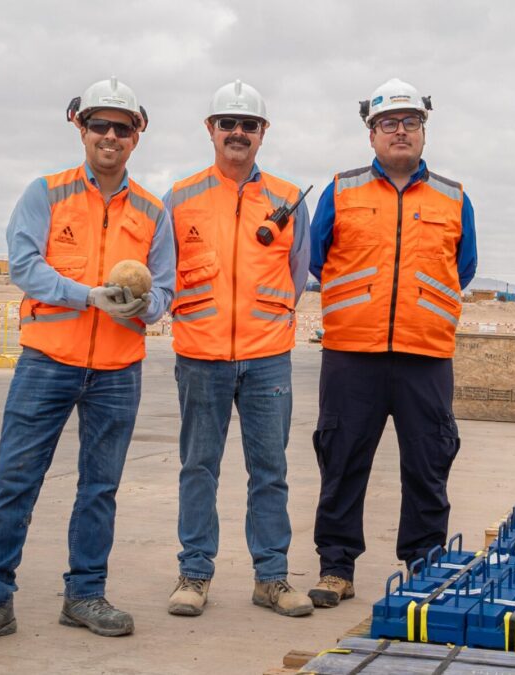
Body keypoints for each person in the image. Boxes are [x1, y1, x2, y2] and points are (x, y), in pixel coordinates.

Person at [0, 77, 176, 646]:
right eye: (100, 124)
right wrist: (87, 295)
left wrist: (143, 306)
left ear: (137, 135)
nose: (110, 136)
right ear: (80, 127)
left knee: (100, 486)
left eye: (123, 126)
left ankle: (85, 594)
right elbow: (24, 265)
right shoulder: (45, 192)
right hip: (48, 360)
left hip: (118, 369)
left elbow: (166, 290)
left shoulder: (151, 211)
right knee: (15, 479)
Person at [307, 78, 478, 608]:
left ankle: (423, 566)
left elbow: (463, 268)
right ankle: (336, 567)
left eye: (410, 122)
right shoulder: (342, 189)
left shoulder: (454, 197)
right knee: (342, 460)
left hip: (424, 356)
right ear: (371, 133)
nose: (399, 132)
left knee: (428, 463)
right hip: (351, 355)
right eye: (388, 123)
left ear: (424, 131)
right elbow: (317, 259)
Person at [162, 80, 313, 618]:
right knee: (198, 467)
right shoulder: (180, 198)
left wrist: (263, 321)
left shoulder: (287, 199)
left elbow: (298, 276)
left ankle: (271, 577)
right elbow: (165, 273)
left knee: (269, 469)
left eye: (249, 124)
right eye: (228, 123)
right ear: (211, 130)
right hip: (200, 356)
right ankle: (194, 574)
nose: (238, 133)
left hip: (268, 355)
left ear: (263, 133)